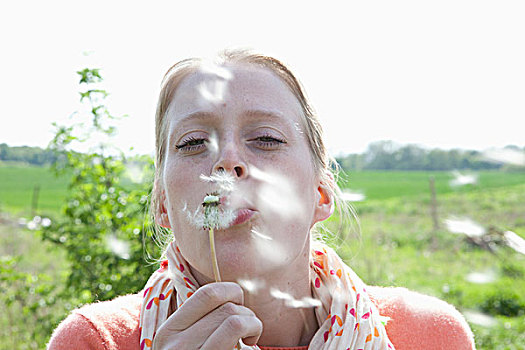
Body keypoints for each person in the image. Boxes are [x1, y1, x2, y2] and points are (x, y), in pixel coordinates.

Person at [48, 49, 475, 350]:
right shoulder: (93, 341)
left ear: (321, 194)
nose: (226, 161)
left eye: (266, 139)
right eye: (194, 142)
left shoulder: (430, 337)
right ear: (162, 203)